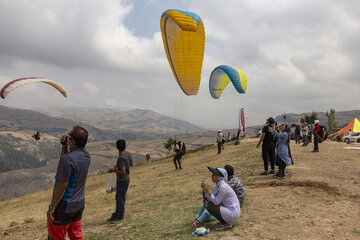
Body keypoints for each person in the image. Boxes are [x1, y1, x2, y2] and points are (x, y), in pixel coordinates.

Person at [47, 126, 90, 240]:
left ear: (73, 141)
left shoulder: (68, 159)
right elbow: (66, 160)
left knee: (56, 237)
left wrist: (52, 207)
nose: (66, 137)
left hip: (64, 207)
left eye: (68, 137)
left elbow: (62, 184)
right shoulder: (86, 155)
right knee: (76, 236)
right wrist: (65, 145)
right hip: (79, 205)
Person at [107, 139, 133, 223]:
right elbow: (131, 164)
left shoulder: (121, 158)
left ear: (117, 147)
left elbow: (123, 171)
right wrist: (117, 166)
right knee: (119, 196)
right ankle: (117, 212)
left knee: (120, 198)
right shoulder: (128, 154)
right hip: (126, 178)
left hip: (122, 179)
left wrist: (113, 171)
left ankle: (120, 216)